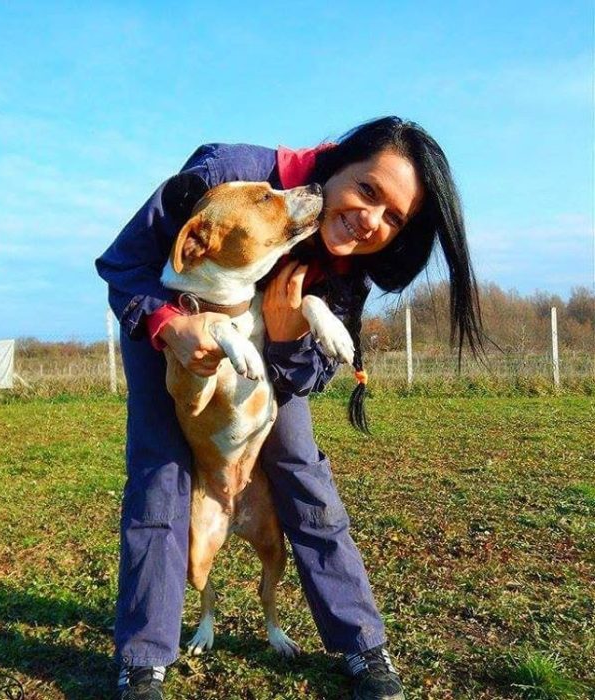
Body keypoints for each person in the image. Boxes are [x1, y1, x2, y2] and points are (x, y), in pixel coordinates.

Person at [95, 116, 483, 700]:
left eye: (394, 218)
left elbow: (311, 374)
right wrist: (167, 324)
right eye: (368, 191)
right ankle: (144, 659)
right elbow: (123, 262)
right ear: (337, 164)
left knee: (302, 468)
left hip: (263, 354)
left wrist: (283, 337)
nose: (370, 220)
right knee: (161, 471)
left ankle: (362, 646)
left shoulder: (349, 261)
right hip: (169, 329)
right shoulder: (228, 177)